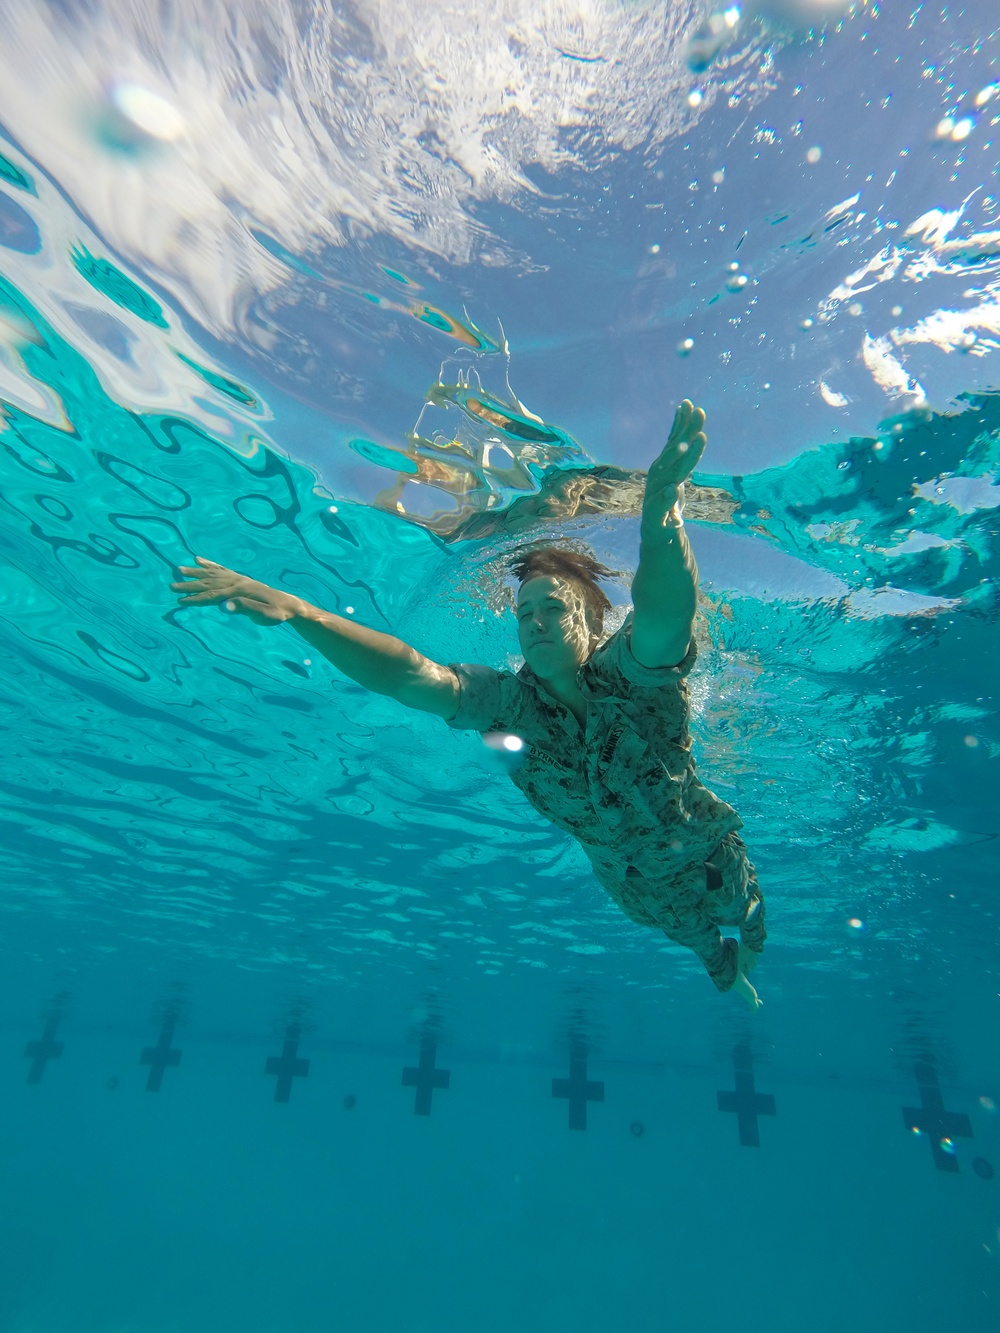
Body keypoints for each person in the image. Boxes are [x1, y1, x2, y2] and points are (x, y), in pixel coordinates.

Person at [170, 400, 766, 1008]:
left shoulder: (633, 678)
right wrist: (301, 612)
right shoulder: (507, 705)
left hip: (707, 851)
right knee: (698, 943)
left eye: (554, 609)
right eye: (524, 613)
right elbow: (410, 676)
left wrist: (661, 508)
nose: (534, 624)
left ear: (590, 621)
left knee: (746, 918)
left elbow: (667, 613)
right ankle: (728, 973)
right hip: (636, 888)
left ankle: (747, 952)